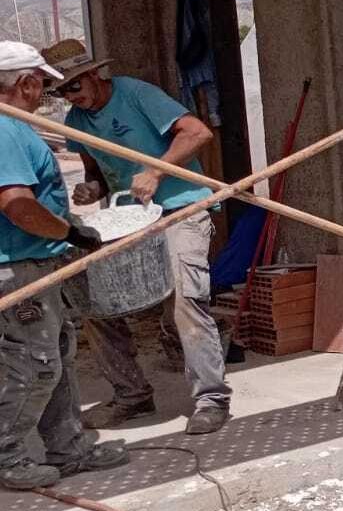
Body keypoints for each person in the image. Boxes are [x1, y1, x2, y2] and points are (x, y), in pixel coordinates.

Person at [42, 39, 232, 435]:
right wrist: (91, 190)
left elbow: (197, 133)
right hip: (130, 217)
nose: (70, 97)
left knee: (185, 299)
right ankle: (132, 394)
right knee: (95, 303)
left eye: (74, 87)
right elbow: (94, 172)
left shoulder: (136, 94)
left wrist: (156, 171)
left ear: (94, 75)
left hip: (181, 209)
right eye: (61, 92)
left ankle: (211, 398)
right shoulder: (76, 123)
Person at [0, 41, 127, 490]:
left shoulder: (16, 128)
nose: (47, 94)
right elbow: (18, 204)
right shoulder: (6, 130)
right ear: (28, 82)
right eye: (44, 85)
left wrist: (66, 227)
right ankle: (8, 456)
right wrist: (68, 232)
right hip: (18, 264)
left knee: (57, 355)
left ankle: (68, 449)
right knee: (34, 363)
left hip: (37, 262)